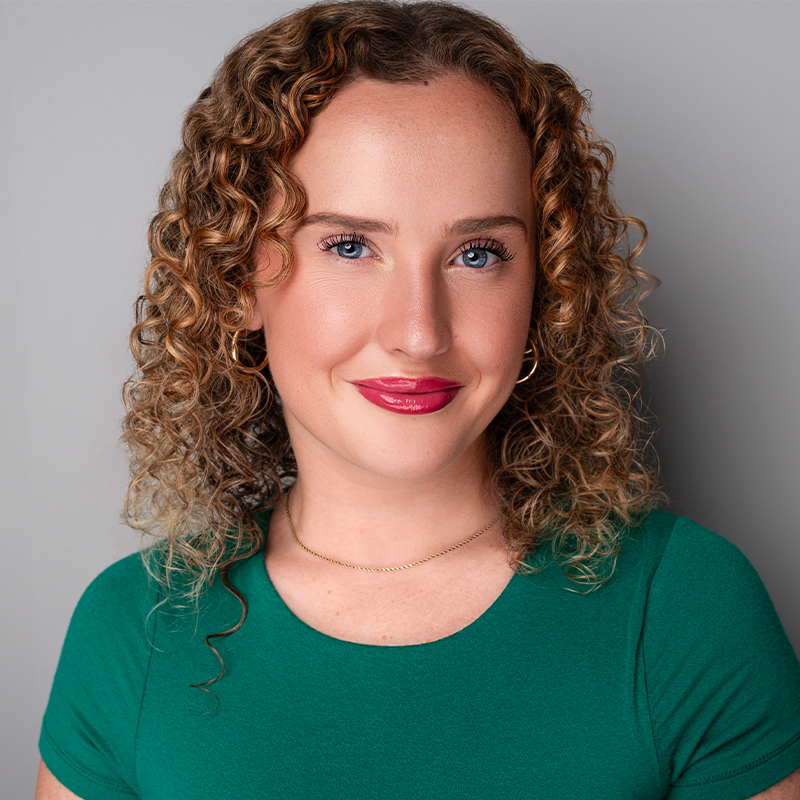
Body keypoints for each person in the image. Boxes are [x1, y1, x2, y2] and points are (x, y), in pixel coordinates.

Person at [36, 1, 800, 798]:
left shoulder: (683, 609)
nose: (419, 331)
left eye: (477, 253)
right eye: (350, 246)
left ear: (544, 288)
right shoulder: (134, 631)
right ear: (238, 281)